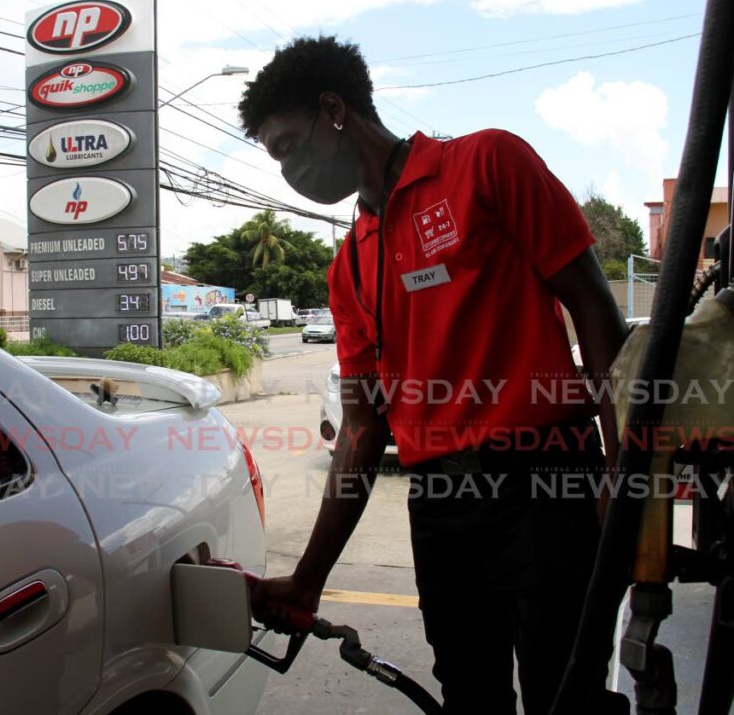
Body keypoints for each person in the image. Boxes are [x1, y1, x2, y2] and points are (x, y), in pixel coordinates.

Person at [238, 36, 630, 715]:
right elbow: (361, 431)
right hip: (441, 511)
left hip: (545, 488)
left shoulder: (485, 164)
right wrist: (308, 579)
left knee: (564, 696)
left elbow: (595, 311)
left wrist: (626, 475)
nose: (289, 173)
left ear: (334, 110)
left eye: (287, 148)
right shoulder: (349, 265)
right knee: (469, 696)